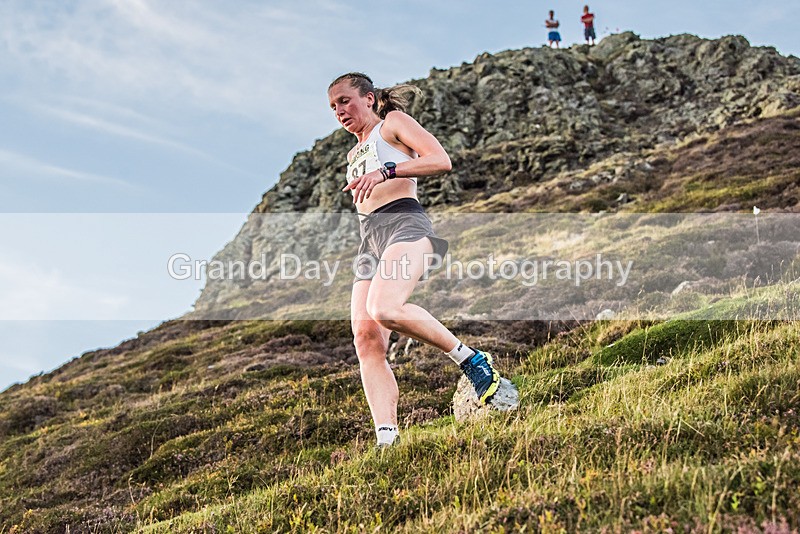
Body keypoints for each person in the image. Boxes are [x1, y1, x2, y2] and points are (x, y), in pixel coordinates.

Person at [327, 72, 510, 447]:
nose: (339, 110)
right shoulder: (351, 153)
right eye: (332, 106)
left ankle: (472, 361)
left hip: (404, 223)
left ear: (370, 99)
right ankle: (387, 438)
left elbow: (440, 160)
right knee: (366, 339)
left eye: (345, 100)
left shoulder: (392, 124)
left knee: (385, 307)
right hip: (370, 241)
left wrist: (387, 171)